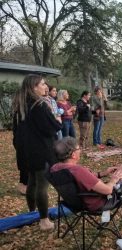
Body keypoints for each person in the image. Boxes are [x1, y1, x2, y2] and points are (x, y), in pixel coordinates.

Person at [52, 137, 122, 224]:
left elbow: (83, 180)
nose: (80, 150)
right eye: (78, 149)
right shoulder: (78, 171)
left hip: (76, 202)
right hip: (97, 202)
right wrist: (113, 180)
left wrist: (102, 173)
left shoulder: (56, 168)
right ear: (73, 155)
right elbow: (107, 190)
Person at [12, 74, 62, 230]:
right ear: (34, 87)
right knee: (41, 185)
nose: (45, 86)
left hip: (26, 151)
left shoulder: (20, 104)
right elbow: (51, 127)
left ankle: (32, 213)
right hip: (41, 150)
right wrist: (58, 120)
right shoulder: (39, 105)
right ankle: (43, 220)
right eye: (42, 84)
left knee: (32, 182)